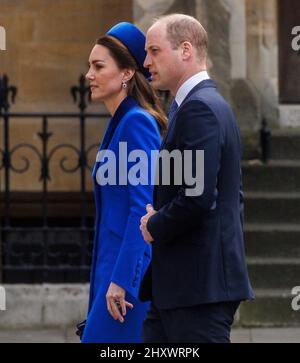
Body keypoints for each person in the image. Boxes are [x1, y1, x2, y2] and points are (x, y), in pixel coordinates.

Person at [139, 14, 254, 343]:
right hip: (180, 288)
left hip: (198, 290)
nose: (146, 61)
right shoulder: (198, 105)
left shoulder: (200, 109)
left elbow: (198, 197)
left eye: (154, 51)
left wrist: (154, 225)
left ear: (185, 50)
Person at [81, 22, 167, 343]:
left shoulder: (136, 123)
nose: (88, 74)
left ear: (127, 73)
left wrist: (123, 281)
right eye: (90, 66)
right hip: (110, 272)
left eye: (98, 66)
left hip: (125, 282)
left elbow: (142, 209)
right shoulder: (121, 122)